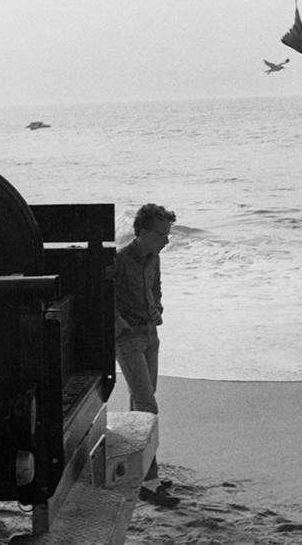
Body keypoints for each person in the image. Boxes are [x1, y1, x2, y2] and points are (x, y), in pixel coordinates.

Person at [109, 203, 178, 508]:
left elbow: (156, 287)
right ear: (143, 232)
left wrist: (158, 309)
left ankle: (134, 470)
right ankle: (149, 480)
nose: (166, 239)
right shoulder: (120, 260)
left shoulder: (154, 258)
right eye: (162, 234)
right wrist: (117, 323)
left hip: (150, 334)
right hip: (128, 339)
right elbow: (99, 294)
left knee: (140, 404)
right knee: (147, 405)